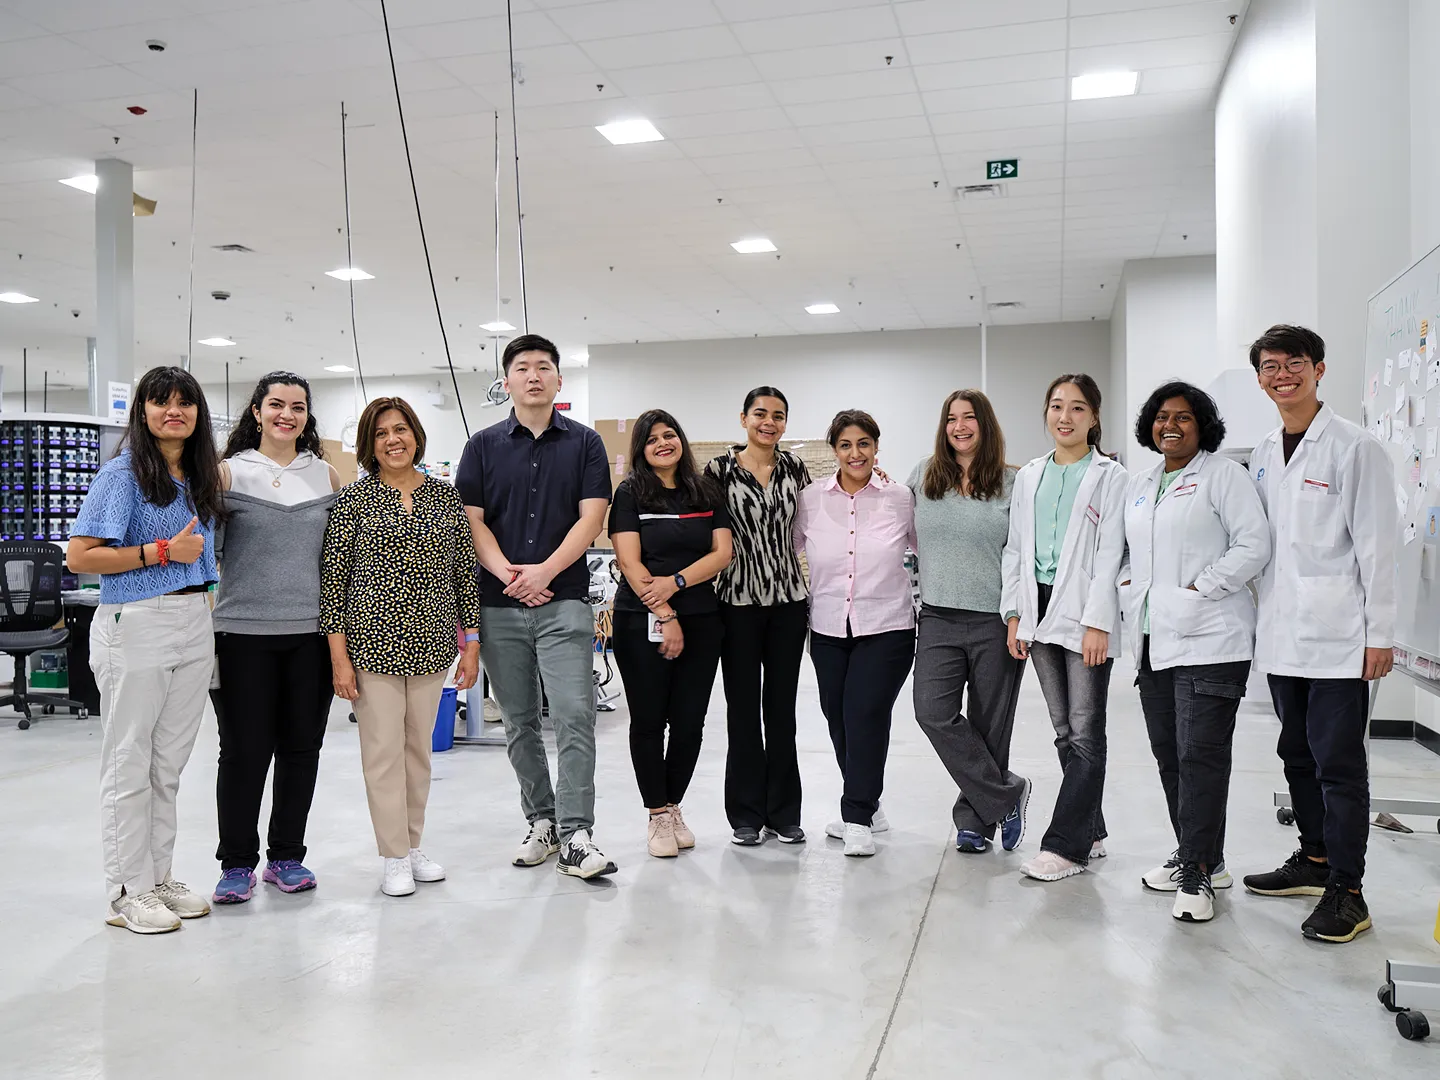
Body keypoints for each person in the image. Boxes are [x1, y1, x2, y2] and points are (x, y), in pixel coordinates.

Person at [1241, 324, 1397, 943]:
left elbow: (1379, 548)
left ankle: (1348, 890)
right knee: (1294, 754)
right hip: (1282, 635)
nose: (1283, 375)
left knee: (1339, 763)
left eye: (1294, 363)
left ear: (1320, 369)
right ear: (1259, 378)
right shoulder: (1260, 453)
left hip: (1339, 637)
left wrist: (1379, 634)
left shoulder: (1356, 448)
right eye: (1271, 366)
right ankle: (1313, 859)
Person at [67, 366, 224, 934]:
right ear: (144, 411)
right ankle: (127, 890)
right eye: (161, 402)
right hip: (136, 622)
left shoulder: (198, 477)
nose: (173, 411)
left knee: (167, 766)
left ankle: (158, 877)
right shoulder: (123, 474)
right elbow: (80, 558)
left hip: (192, 619)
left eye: (185, 402)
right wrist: (160, 552)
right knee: (128, 761)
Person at [454, 334, 616, 879]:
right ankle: (542, 821)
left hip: (564, 601)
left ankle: (577, 833)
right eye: (521, 368)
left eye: (544, 367)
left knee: (574, 715)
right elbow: (471, 521)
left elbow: (591, 518)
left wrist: (544, 572)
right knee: (520, 721)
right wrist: (507, 574)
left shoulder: (587, 444)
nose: (533, 376)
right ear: (507, 382)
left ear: (558, 380)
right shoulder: (481, 446)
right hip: (497, 605)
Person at [1121, 382, 1270, 923]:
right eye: (1162, 417)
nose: (1171, 426)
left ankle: (1197, 873)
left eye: (1184, 418)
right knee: (1168, 755)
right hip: (1152, 638)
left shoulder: (1222, 475)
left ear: (1202, 425)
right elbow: (1129, 552)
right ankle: (1203, 855)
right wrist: (1127, 585)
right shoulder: (1140, 485)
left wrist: (1199, 590)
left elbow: (1253, 544)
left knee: (1199, 756)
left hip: (1211, 637)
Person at [320, 397, 481, 897]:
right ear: (369, 443)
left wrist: (471, 642)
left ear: (416, 436)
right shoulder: (352, 502)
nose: (394, 439)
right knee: (383, 753)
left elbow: (463, 575)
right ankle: (392, 855)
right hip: (372, 649)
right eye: (382, 432)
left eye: (402, 429)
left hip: (433, 646)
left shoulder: (444, 498)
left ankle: (412, 845)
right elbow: (333, 582)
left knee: (419, 753)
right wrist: (338, 657)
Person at [210, 371, 344, 904]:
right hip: (241, 634)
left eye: (297, 406)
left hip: (311, 635)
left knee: (301, 749)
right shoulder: (226, 474)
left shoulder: (328, 476)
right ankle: (237, 863)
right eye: (276, 404)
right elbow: (204, 555)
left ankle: (286, 856)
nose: (287, 414)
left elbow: (342, 564)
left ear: (307, 415)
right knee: (243, 752)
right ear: (258, 411)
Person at [1002, 373, 1127, 882]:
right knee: (1063, 731)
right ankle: (1092, 827)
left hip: (1084, 614)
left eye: (1077, 408)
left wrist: (1098, 621)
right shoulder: (1030, 475)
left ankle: (1066, 846)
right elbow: (1015, 550)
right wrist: (1015, 615)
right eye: (1056, 406)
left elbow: (1113, 551)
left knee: (1086, 733)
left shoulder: (1110, 476)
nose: (1065, 416)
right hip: (1038, 608)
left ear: (1094, 418)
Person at [908, 390, 1030, 856]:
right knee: (932, 712)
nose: (959, 426)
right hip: (937, 615)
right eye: (951, 419)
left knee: (990, 724)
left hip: (994, 620)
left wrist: (1017, 617)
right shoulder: (922, 475)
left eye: (969, 418)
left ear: (986, 424)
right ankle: (1006, 796)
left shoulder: (1013, 482)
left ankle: (974, 823)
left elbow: (1022, 554)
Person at [609, 410, 733, 858]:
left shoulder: (707, 490)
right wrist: (666, 614)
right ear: (640, 448)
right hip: (639, 619)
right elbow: (629, 561)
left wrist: (678, 584)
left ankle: (673, 804)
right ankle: (657, 814)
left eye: (670, 434)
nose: (663, 443)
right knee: (647, 722)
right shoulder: (630, 492)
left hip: (702, 618)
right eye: (652, 439)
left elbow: (722, 553)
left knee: (689, 724)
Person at [794, 410, 915, 857]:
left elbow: (929, 550)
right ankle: (870, 804)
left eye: (864, 443)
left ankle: (857, 816)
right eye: (846, 445)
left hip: (887, 627)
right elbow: (786, 549)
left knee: (864, 714)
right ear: (834, 451)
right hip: (827, 626)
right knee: (838, 718)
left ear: (876, 447)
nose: (855, 453)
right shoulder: (811, 500)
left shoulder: (900, 497)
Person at [704, 387, 812, 846]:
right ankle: (746, 815)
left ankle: (784, 813)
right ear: (744, 418)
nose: (769, 422)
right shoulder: (718, 471)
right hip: (737, 604)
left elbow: (820, 519)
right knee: (743, 711)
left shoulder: (795, 468)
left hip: (788, 603)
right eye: (761, 414)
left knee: (782, 711)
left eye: (779, 416)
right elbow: (704, 530)